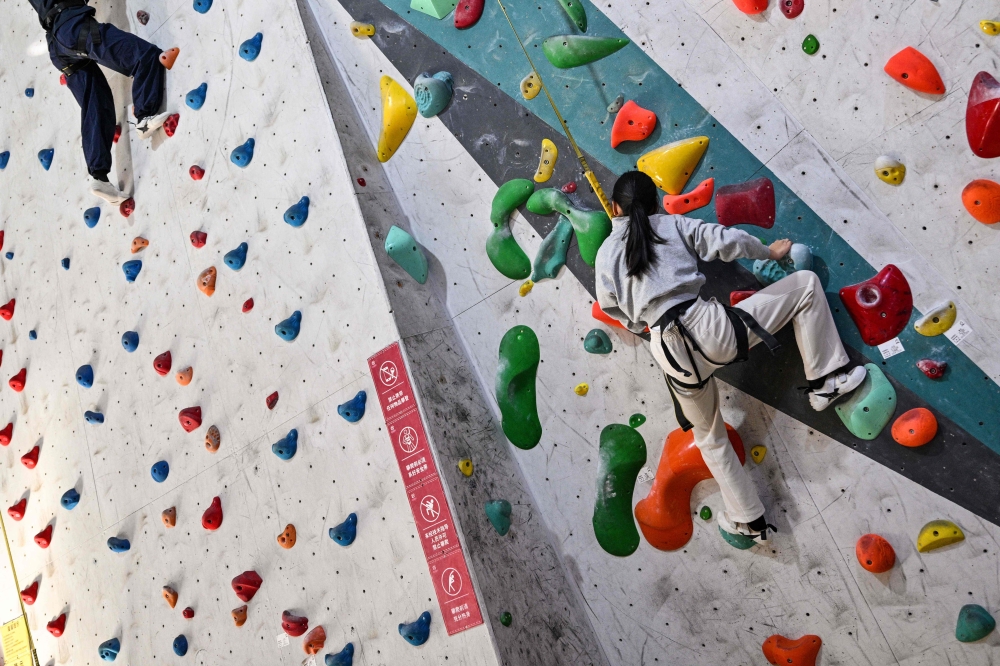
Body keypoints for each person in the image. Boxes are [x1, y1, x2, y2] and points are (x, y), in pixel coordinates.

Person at [595, 171, 867, 543]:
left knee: (710, 438)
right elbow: (726, 241)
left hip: (671, 355)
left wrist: (640, 323)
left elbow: (612, 308)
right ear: (655, 203)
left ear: (614, 208)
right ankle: (827, 381)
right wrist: (769, 252)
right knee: (805, 286)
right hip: (710, 329)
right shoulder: (671, 225)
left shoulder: (605, 254)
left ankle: (748, 518)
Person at [28, 0, 173, 204]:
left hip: (57, 46)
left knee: (96, 102)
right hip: (73, 27)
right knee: (144, 55)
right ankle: (145, 115)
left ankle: (99, 177)